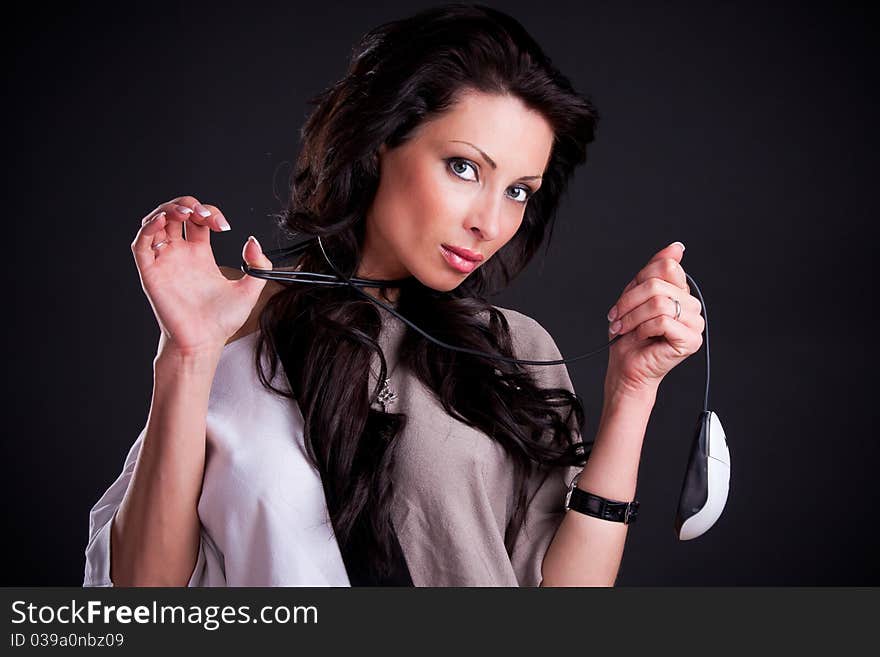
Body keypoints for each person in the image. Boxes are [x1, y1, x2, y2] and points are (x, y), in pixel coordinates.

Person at [83, 3, 704, 587]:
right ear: (382, 139)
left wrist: (632, 391)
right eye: (464, 167)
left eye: (519, 190)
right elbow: (143, 600)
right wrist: (188, 355)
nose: (489, 221)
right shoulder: (235, 329)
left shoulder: (512, 351)